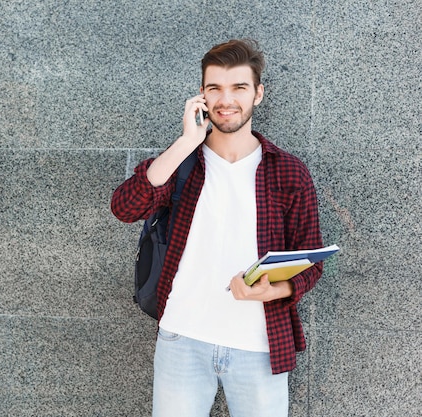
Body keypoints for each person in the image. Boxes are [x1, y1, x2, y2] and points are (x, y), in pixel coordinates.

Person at [110, 39, 324, 417]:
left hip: (260, 346)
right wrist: (185, 142)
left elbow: (312, 261)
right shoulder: (182, 163)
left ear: (258, 94)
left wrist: (275, 289)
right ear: (202, 96)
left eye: (239, 87)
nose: (227, 99)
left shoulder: (288, 172)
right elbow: (125, 207)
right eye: (215, 88)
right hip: (181, 339)